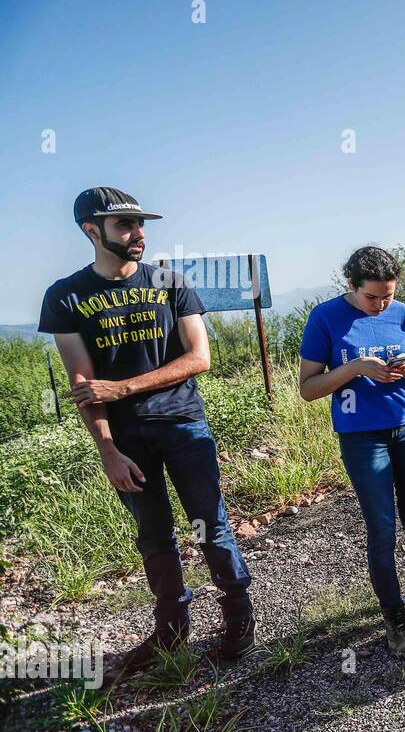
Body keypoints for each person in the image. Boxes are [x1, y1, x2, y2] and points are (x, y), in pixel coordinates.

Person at [39, 187, 256, 674]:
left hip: (183, 424)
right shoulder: (65, 297)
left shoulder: (170, 283)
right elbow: (82, 384)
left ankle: (238, 614)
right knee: (154, 536)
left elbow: (200, 358)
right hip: (128, 441)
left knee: (210, 523)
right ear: (90, 231)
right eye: (125, 226)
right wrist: (107, 451)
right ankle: (171, 630)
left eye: (140, 224)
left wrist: (122, 388)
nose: (138, 234)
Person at [299, 245, 405, 656]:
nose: (381, 304)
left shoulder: (404, 314)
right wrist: (356, 367)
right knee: (383, 527)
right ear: (351, 285)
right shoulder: (325, 317)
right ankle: (395, 620)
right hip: (361, 437)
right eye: (372, 296)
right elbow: (308, 389)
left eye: (388, 295)